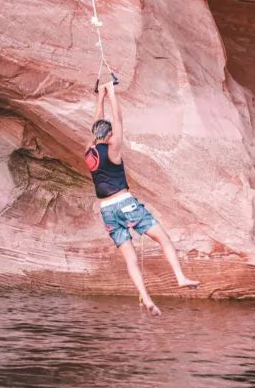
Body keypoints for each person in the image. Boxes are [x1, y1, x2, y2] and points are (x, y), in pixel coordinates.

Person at [85, 80, 199, 315]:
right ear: (109, 136)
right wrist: (113, 93)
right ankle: (179, 277)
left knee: (130, 259)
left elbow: (97, 123)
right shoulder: (114, 148)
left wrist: (101, 96)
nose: (115, 134)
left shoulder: (89, 151)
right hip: (125, 204)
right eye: (112, 133)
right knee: (164, 239)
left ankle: (146, 299)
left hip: (106, 211)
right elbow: (119, 121)